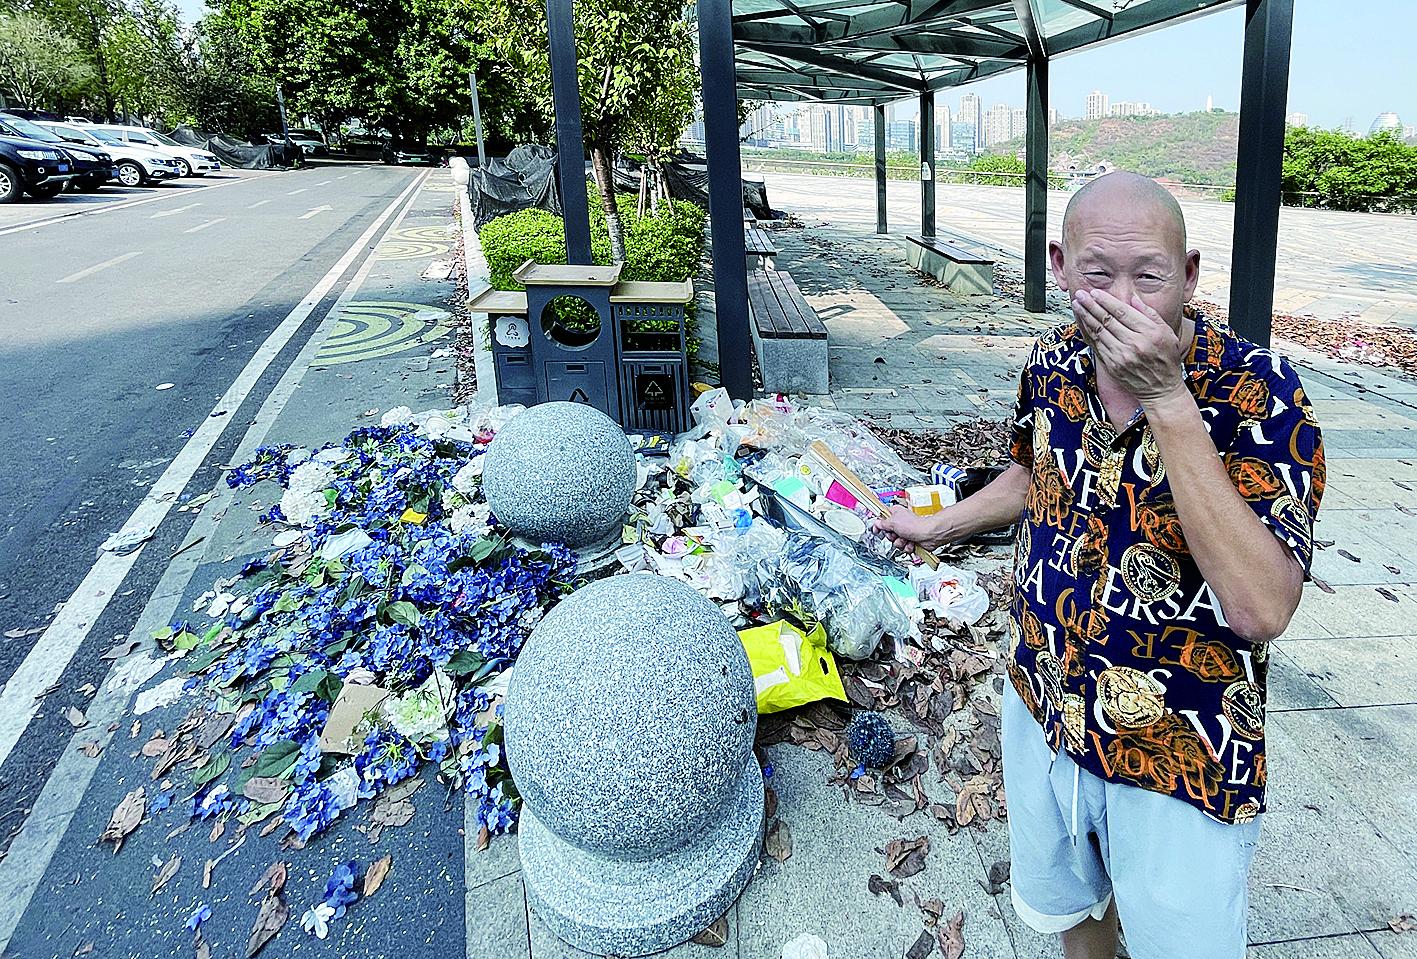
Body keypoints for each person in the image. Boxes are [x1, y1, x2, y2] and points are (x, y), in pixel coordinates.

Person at [876, 172, 1324, 959]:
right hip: (1044, 696)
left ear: (1187, 274)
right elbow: (1032, 470)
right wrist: (936, 525)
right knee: (1073, 915)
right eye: (1097, 274)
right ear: (1059, 266)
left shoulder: (1263, 393)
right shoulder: (1052, 360)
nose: (1122, 299)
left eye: (1148, 276)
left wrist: (1169, 399)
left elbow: (1261, 607)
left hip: (1180, 740)